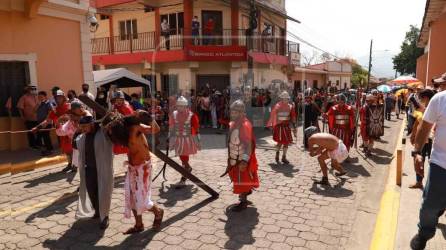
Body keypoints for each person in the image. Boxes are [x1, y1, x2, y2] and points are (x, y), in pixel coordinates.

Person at [107, 110, 164, 233]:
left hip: (144, 169)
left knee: (142, 199)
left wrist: (149, 117)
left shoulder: (137, 128)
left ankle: (158, 212)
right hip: (132, 169)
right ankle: (139, 225)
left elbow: (156, 129)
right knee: (131, 197)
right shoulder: (124, 133)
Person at [410, 73, 446, 250]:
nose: (439, 87)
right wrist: (416, 152)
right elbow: (424, 128)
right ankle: (424, 234)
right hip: (441, 164)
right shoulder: (439, 99)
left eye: (442, 84)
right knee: (429, 207)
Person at [75, 115, 114, 230]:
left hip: (103, 169)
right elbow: (74, 144)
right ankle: (98, 211)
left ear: (92, 124)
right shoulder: (82, 137)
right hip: (89, 169)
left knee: (103, 192)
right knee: (91, 191)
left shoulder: (103, 133)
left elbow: (111, 131)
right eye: (81, 127)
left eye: (85, 126)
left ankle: (105, 216)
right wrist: (77, 132)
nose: (83, 129)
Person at [225, 100, 259, 211]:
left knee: (242, 179)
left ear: (241, 113)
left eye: (235, 112)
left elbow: (249, 145)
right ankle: (245, 194)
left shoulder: (245, 125)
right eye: (232, 112)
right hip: (236, 155)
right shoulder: (235, 123)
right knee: (240, 178)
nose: (232, 114)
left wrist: (244, 161)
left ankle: (243, 202)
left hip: (243, 157)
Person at [33, 90, 73, 172]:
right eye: (56, 97)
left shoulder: (69, 106)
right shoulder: (54, 110)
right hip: (62, 133)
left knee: (74, 148)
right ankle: (70, 164)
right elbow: (47, 121)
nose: (58, 99)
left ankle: (75, 165)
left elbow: (77, 116)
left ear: (63, 98)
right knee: (66, 150)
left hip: (71, 132)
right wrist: (37, 127)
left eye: (60, 97)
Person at [168, 96, 200, 187]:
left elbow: (196, 127)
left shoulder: (191, 114)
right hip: (178, 139)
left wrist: (195, 137)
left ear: (186, 106)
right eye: (179, 106)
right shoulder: (174, 114)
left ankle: (186, 172)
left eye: (182, 106)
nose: (180, 108)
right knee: (182, 158)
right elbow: (171, 127)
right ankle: (185, 171)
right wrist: (169, 137)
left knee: (184, 158)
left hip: (187, 139)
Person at [409, 89, 435, 189]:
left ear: (426, 98)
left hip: (431, 140)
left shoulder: (433, 108)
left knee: (431, 162)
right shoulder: (424, 109)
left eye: (421, 98)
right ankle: (419, 182)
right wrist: (413, 134)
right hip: (422, 139)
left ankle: (432, 185)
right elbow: (418, 121)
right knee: (418, 160)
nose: (420, 100)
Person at [267, 91, 297, 164]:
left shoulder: (290, 107)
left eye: (286, 98)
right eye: (284, 98)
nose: (285, 100)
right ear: (281, 99)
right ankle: (277, 154)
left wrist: (294, 127)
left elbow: (293, 117)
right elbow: (273, 115)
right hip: (279, 127)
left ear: (288, 99)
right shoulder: (277, 106)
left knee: (286, 143)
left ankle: (284, 157)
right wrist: (272, 125)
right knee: (279, 143)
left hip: (286, 127)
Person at [112, 91, 134, 155]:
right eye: (117, 100)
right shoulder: (115, 106)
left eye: (120, 100)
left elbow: (130, 120)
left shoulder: (126, 107)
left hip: (127, 128)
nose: (118, 101)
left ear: (123, 100)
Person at [35, 91, 54, 156]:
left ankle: (50, 150)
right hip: (41, 123)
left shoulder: (48, 103)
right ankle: (47, 149)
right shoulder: (40, 104)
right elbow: (34, 111)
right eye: (38, 96)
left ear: (45, 96)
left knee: (46, 136)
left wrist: (45, 122)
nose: (39, 98)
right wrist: (38, 104)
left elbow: (50, 113)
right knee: (44, 136)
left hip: (47, 123)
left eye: (41, 96)